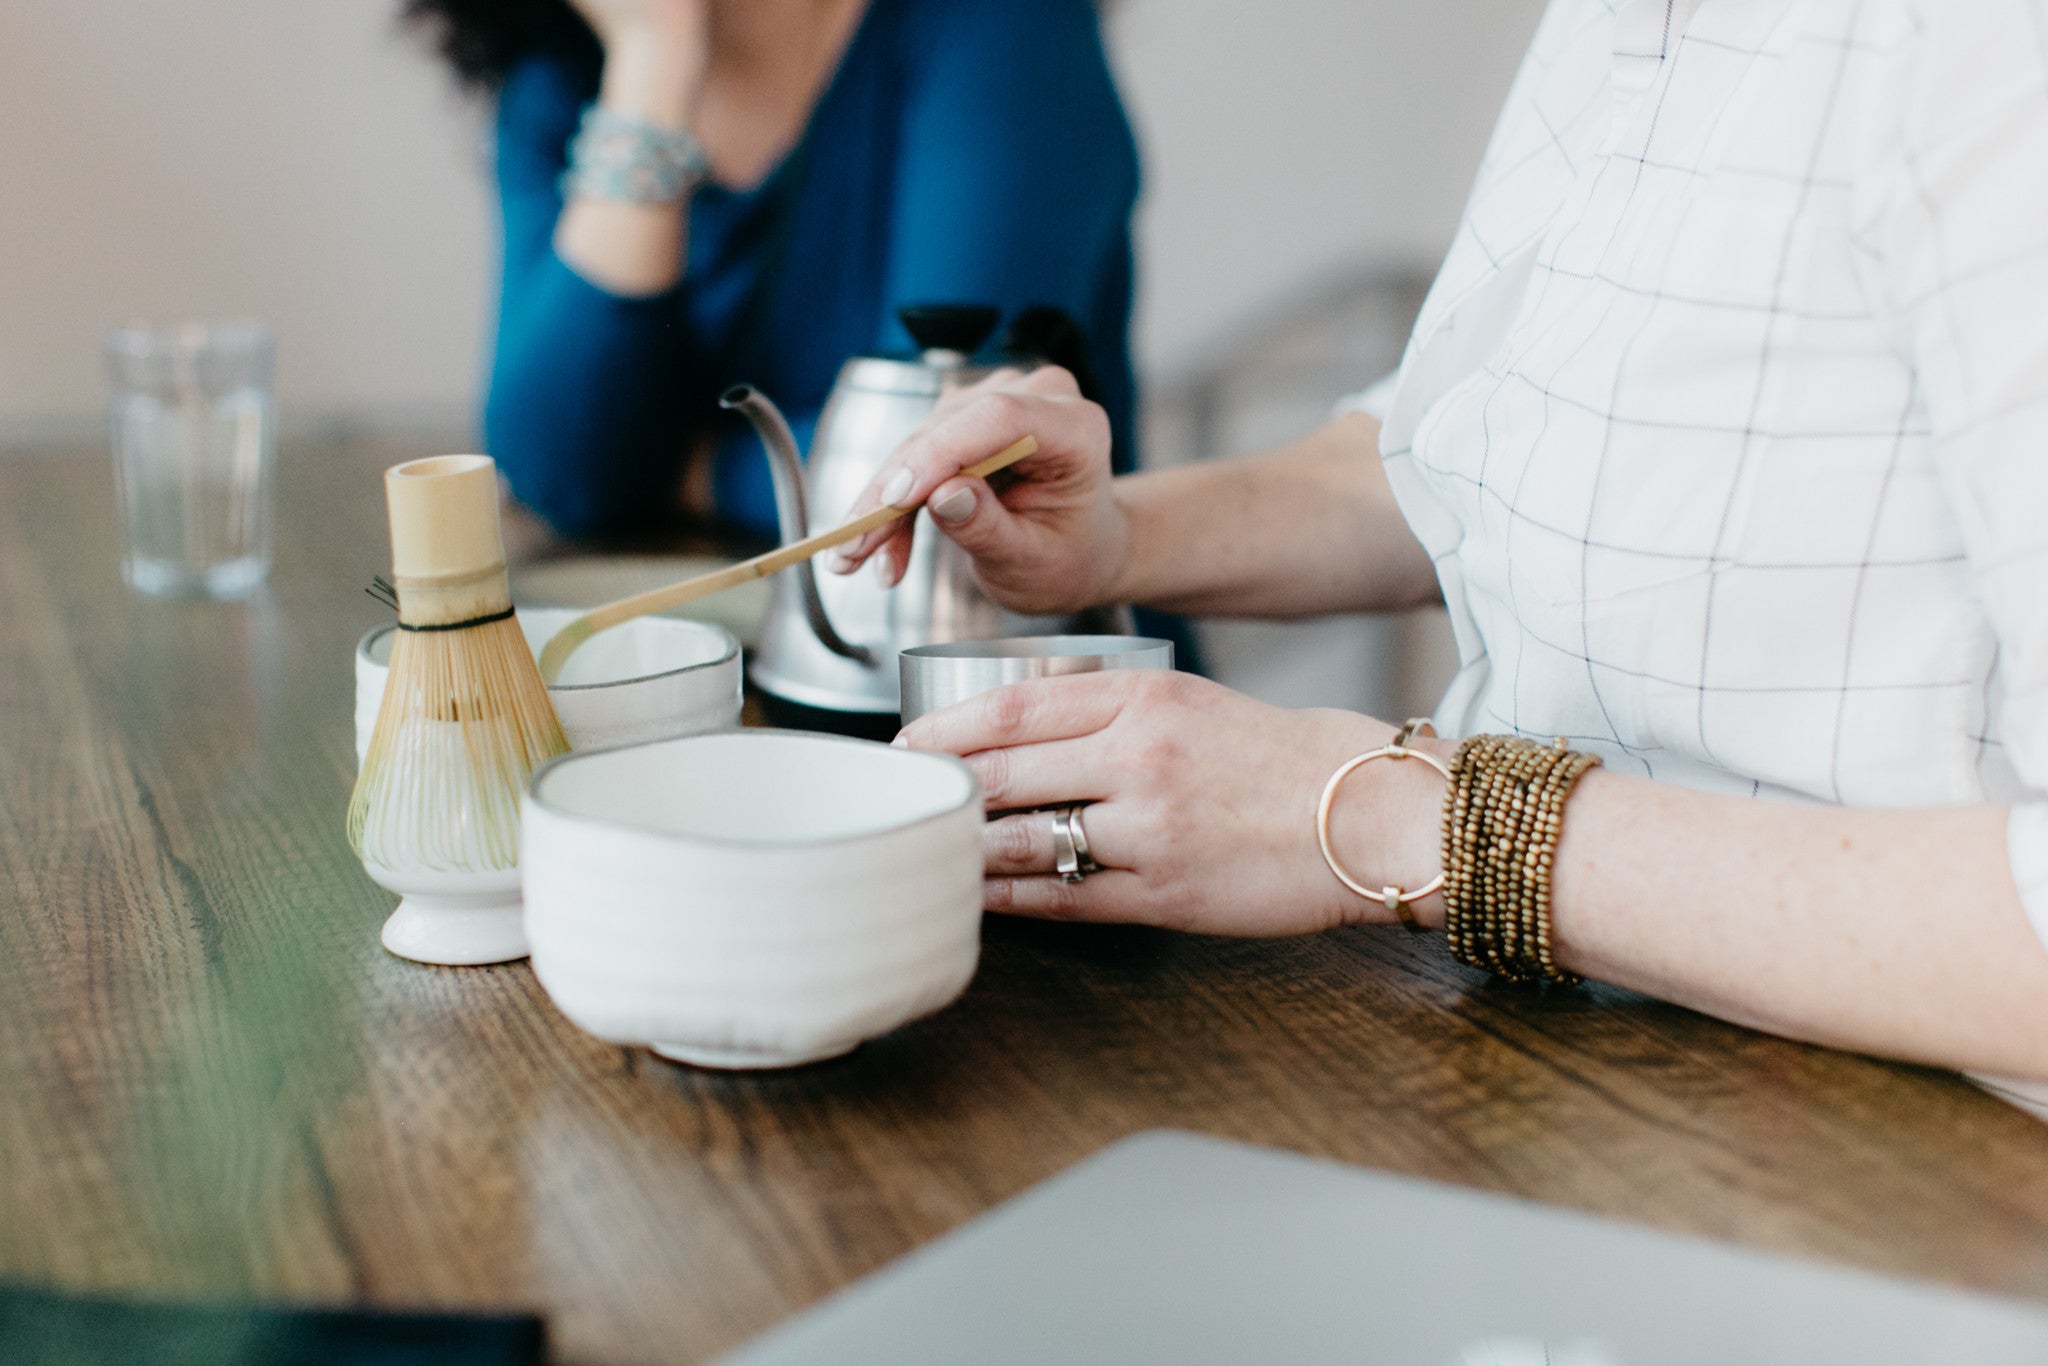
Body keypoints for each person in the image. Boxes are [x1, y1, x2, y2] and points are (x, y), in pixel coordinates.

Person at [832, 0, 2048, 1098]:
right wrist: (1117, 537)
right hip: (1581, 1061)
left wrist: (1385, 821)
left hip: (1929, 1158)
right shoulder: (1606, 28)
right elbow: (1470, 446)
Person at [405, 0, 1139, 539]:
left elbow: (941, 465)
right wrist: (655, 61)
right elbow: (560, 470)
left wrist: (680, 472)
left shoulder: (1004, 27)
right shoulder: (562, 69)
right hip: (715, 675)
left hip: (1020, 691)